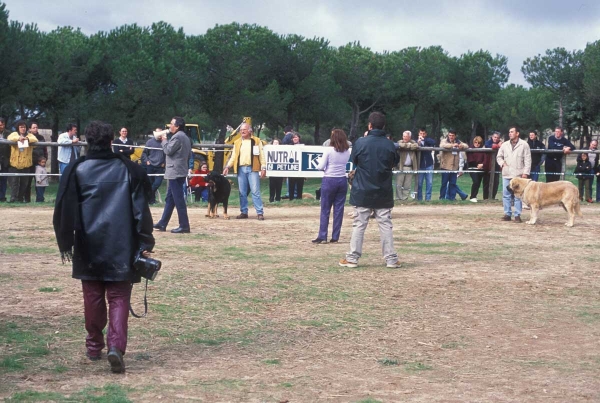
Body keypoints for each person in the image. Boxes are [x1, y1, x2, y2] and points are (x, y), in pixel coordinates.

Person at [53, 120, 155, 374]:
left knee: (93, 296)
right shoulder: (129, 169)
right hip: (122, 244)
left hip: (88, 244)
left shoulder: (76, 169)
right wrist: (145, 241)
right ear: (111, 141)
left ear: (88, 141)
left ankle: (93, 346)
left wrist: (67, 241)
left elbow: (63, 210)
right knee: (119, 297)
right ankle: (115, 348)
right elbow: (140, 210)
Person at [339, 112, 401, 269]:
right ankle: (391, 259)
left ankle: (352, 258)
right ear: (384, 126)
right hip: (383, 189)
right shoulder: (390, 145)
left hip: (362, 189)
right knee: (385, 224)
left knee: (359, 224)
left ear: (369, 125)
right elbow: (394, 163)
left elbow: (355, 161)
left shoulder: (361, 142)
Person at [153, 117, 192, 233]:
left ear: (178, 126)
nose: (170, 126)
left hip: (174, 172)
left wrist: (164, 140)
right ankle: (163, 223)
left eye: (171, 124)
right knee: (170, 199)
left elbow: (168, 150)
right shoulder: (185, 137)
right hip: (179, 170)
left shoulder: (178, 136)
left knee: (178, 199)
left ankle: (184, 225)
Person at [313, 129, 350, 244]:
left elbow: (320, 166)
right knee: (339, 209)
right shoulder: (347, 151)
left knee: (325, 209)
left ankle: (322, 236)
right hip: (342, 179)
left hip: (329, 179)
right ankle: (335, 236)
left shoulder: (329, 151)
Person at [223, 122, 266, 220]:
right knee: (242, 192)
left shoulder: (256, 141)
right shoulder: (237, 142)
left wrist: (263, 167)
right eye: (241, 130)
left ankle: (259, 213)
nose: (242, 131)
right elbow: (233, 156)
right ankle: (244, 212)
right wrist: (227, 167)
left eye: (244, 129)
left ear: (250, 131)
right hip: (241, 169)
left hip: (253, 168)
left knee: (255, 191)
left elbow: (261, 155)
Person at [497, 126, 531, 222]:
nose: (510, 133)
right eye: (509, 132)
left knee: (517, 196)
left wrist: (525, 173)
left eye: (512, 132)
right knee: (506, 194)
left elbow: (528, 159)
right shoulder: (504, 145)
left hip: (518, 174)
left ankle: (517, 215)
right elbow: (499, 156)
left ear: (517, 133)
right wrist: (502, 163)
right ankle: (507, 214)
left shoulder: (524, 144)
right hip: (507, 173)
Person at [7, 120, 38, 203]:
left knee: (24, 184)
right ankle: (13, 199)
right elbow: (9, 138)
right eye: (21, 127)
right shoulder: (14, 134)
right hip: (15, 164)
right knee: (14, 184)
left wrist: (26, 138)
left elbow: (35, 139)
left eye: (24, 127)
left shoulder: (30, 135)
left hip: (26, 165)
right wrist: (18, 138)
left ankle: (20, 199)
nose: (23, 129)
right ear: (18, 128)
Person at [439, 130, 468, 200]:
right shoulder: (444, 141)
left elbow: (466, 145)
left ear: (455, 136)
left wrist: (462, 146)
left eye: (452, 135)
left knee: (453, 183)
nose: (451, 137)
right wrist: (452, 145)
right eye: (450, 135)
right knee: (444, 183)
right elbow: (442, 145)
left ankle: (452, 198)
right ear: (448, 135)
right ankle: (442, 198)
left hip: (454, 167)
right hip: (445, 166)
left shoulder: (458, 141)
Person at [141, 128, 166, 204]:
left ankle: (147, 196)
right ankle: (152, 201)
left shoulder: (164, 142)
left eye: (160, 133)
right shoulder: (149, 142)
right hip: (150, 166)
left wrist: (164, 162)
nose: (159, 135)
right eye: (157, 133)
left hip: (160, 167)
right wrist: (147, 161)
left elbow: (168, 154)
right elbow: (144, 153)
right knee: (151, 183)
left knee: (157, 183)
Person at [466, 136, 491, 202]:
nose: (477, 144)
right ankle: (472, 197)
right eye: (475, 142)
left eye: (479, 143)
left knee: (480, 182)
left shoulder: (483, 150)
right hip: (473, 168)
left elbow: (486, 159)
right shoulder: (470, 149)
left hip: (481, 168)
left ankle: (485, 197)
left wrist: (482, 164)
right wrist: (477, 165)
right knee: (476, 181)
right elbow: (470, 159)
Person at [396, 131, 418, 200]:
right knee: (399, 184)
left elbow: (416, 146)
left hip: (410, 167)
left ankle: (405, 198)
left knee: (407, 185)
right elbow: (400, 145)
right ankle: (398, 198)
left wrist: (408, 145)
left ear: (409, 137)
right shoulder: (400, 141)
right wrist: (408, 145)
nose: (405, 138)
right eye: (404, 136)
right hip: (401, 167)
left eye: (406, 136)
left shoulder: (413, 142)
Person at [416, 128, 436, 201]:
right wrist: (419, 141)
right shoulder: (416, 141)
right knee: (419, 183)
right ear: (418, 134)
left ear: (426, 134)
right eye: (421, 133)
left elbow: (434, 142)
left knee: (429, 183)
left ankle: (428, 199)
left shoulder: (428, 140)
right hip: (420, 165)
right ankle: (419, 199)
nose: (422, 135)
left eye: (423, 133)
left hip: (429, 164)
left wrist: (424, 139)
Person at [484, 131, 503, 199]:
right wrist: (498, 146)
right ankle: (485, 198)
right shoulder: (488, 142)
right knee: (487, 183)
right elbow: (488, 146)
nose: (496, 139)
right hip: (488, 166)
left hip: (497, 166)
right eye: (495, 137)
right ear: (492, 137)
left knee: (496, 183)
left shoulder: (502, 143)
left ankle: (493, 197)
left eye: (497, 138)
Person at [288, 133, 305, 200]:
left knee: (300, 185)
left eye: (296, 137)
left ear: (299, 138)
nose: (295, 138)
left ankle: (299, 198)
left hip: (300, 168)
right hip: (292, 168)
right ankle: (291, 198)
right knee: (291, 185)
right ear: (292, 139)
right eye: (293, 137)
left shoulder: (303, 146)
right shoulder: (289, 146)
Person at [0, 117, 12, 201]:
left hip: (5, 160)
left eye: (2, 124)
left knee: (4, 179)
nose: (0, 126)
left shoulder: (9, 133)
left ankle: (2, 197)